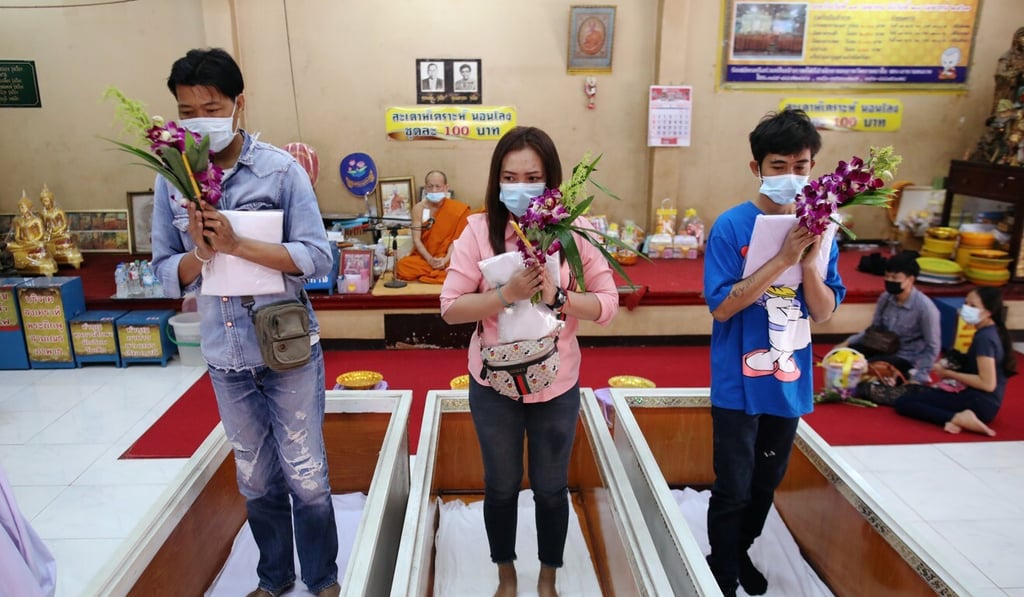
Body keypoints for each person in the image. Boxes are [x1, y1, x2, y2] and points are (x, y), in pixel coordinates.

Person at [150, 48, 339, 597]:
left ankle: (322, 579)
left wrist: (239, 244)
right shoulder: (172, 181)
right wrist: (202, 256)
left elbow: (317, 257)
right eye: (187, 110)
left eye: (211, 107)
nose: (198, 121)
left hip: (286, 350)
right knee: (254, 475)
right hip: (224, 352)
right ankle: (274, 577)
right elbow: (165, 272)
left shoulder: (279, 171)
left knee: (306, 473)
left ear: (238, 104)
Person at [440, 126, 619, 597]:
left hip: (556, 383)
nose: (520, 187)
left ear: (552, 182)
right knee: (499, 485)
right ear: (497, 180)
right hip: (494, 384)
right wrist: (505, 294)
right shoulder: (479, 230)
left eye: (533, 177)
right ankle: (506, 575)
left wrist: (557, 295)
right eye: (509, 176)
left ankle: (547, 578)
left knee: (550, 488)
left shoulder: (576, 234)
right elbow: (450, 307)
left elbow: (607, 305)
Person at [702, 109, 845, 597]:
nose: (791, 176)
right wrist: (781, 258)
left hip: (788, 379)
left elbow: (824, 313)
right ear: (756, 168)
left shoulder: (822, 229)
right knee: (733, 487)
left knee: (765, 486)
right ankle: (718, 577)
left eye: (801, 166)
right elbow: (721, 308)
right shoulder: (731, 227)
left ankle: (738, 552)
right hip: (737, 384)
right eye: (779, 165)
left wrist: (807, 264)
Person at [894, 287, 1017, 437]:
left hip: (978, 403)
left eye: (973, 306)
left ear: (988, 312)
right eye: (966, 303)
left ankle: (956, 418)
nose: (966, 308)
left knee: (905, 402)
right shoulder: (991, 332)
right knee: (918, 393)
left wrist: (949, 374)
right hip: (981, 401)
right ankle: (956, 416)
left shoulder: (985, 338)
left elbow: (987, 384)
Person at [839, 251, 941, 383]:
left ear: (910, 279)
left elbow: (932, 346)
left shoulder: (925, 308)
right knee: (849, 355)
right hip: (883, 348)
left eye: (895, 278)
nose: (889, 281)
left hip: (906, 357)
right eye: (887, 277)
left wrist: (919, 376)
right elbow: (874, 329)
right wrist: (848, 342)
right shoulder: (886, 298)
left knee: (869, 368)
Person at [396, 170, 470, 284]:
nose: (434, 190)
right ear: (425, 188)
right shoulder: (418, 208)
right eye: (430, 187)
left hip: (448, 257)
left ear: (446, 188)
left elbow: (456, 241)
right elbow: (416, 240)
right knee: (402, 266)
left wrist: (445, 260)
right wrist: (430, 260)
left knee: (465, 266)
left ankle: (439, 270)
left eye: (438, 186)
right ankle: (439, 272)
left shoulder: (457, 210)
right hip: (425, 257)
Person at [38, 184, 83, 268]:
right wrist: (46, 233)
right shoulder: (42, 213)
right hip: (49, 234)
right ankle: (47, 255)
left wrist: (59, 231)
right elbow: (43, 225)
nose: (45, 203)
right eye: (43, 201)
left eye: (46, 201)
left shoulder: (59, 211)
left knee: (66, 237)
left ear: (51, 200)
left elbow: (65, 224)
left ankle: (70, 256)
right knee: (40, 243)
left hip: (59, 233)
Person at [993, 26, 1024, 113]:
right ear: (1017, 39)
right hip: (1011, 93)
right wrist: (1016, 73)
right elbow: (1000, 73)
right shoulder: (1008, 56)